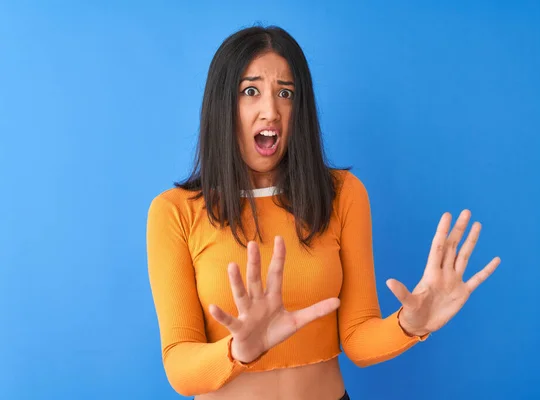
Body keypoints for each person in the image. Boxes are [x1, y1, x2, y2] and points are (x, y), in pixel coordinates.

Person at [146, 25, 501, 400]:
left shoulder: (342, 194)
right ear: (222, 105)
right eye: (250, 91)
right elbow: (180, 367)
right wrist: (236, 352)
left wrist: (410, 325)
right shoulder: (175, 212)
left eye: (286, 93)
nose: (271, 110)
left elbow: (358, 340)